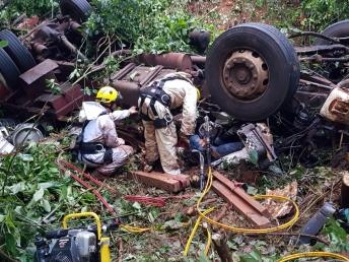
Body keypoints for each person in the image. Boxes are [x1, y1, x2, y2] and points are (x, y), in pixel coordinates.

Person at [138, 72, 200, 175]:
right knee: (167, 138)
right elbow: (190, 112)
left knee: (150, 134)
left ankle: (151, 160)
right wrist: (186, 133)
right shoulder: (191, 90)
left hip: (142, 99)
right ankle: (173, 173)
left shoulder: (170, 78)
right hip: (158, 103)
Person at [76, 86, 138, 176]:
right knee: (128, 150)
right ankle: (100, 173)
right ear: (110, 103)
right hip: (92, 158)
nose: (116, 105)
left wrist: (128, 112)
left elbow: (112, 115)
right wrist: (121, 142)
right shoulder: (106, 120)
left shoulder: (94, 112)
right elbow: (112, 143)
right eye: (115, 103)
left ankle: (97, 165)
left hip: (82, 155)